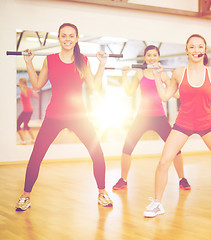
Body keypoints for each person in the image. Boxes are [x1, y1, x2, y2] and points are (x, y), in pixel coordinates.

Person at [143, 34, 211, 218]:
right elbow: (166, 96)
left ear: (205, 50)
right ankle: (157, 203)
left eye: (200, 47)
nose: (196, 51)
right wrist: (158, 75)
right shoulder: (178, 72)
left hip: (206, 122)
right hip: (183, 122)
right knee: (164, 161)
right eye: (192, 47)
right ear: (186, 50)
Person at [15, 23, 113, 211]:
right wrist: (28, 64)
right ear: (58, 38)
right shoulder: (49, 60)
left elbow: (93, 86)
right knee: (36, 155)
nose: (67, 39)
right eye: (63, 36)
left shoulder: (83, 60)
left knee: (97, 153)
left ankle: (102, 193)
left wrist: (102, 65)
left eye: (71, 36)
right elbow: (36, 85)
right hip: (54, 116)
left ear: (76, 38)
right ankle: (25, 196)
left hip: (79, 116)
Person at [112, 45, 191, 191]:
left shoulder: (162, 75)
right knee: (127, 148)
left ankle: (182, 179)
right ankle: (123, 179)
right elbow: (129, 92)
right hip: (142, 117)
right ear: (145, 57)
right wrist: (124, 75)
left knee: (175, 148)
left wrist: (176, 78)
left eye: (154, 55)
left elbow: (177, 94)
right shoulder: (140, 74)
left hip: (159, 117)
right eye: (149, 55)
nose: (151, 58)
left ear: (158, 57)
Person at [17, 77, 39, 144]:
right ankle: (32, 139)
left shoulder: (24, 89)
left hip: (27, 110)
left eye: (19, 82)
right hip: (28, 110)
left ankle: (23, 140)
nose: (19, 84)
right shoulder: (28, 89)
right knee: (24, 125)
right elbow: (36, 96)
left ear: (22, 83)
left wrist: (21, 88)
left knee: (17, 125)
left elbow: (26, 95)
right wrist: (31, 90)